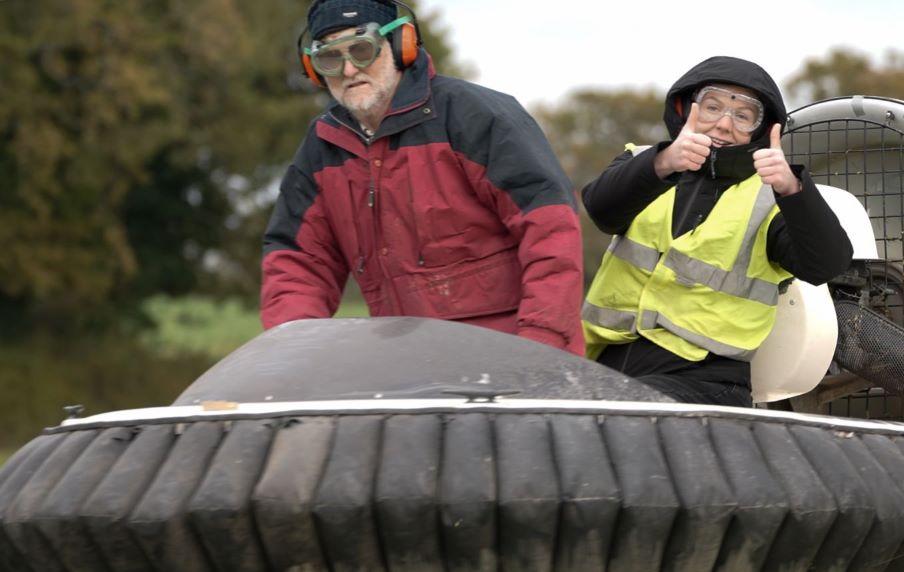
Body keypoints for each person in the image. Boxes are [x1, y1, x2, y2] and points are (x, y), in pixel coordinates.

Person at [261, 0, 585, 355]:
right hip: (407, 369)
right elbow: (299, 263)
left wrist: (541, 350)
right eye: (330, 59)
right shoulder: (321, 146)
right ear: (314, 67)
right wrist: (293, 356)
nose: (349, 69)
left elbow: (550, 233)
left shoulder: (475, 116)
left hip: (512, 362)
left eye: (361, 50)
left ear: (402, 45)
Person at [581, 56, 853, 406]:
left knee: (629, 414)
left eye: (743, 116)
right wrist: (664, 163)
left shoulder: (771, 199)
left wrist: (791, 188)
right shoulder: (645, 162)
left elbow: (826, 265)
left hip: (706, 380)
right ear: (685, 108)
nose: (724, 125)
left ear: (762, 129)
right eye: (713, 107)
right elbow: (600, 210)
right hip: (606, 363)